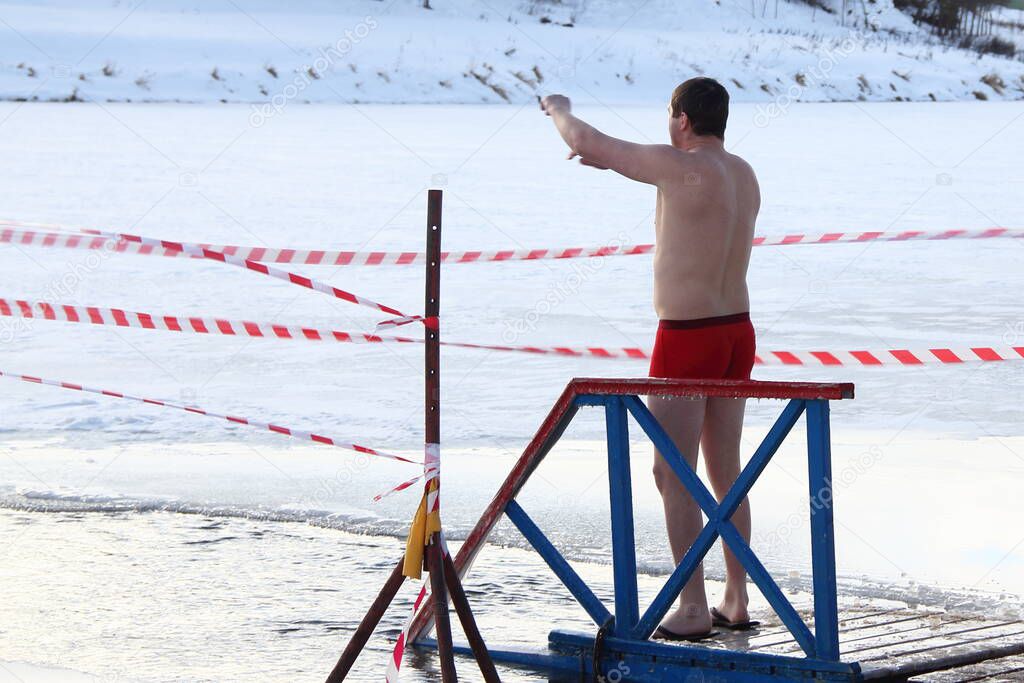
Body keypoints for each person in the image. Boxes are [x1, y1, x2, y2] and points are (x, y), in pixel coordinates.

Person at [540, 78, 760, 641]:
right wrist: (619, 165)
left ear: (682, 119)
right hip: (735, 331)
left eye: (670, 115)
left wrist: (557, 108)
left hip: (687, 337)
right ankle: (735, 598)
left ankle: (690, 607)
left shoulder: (675, 163)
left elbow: (587, 139)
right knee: (725, 470)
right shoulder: (742, 173)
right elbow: (684, 197)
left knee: (671, 472)